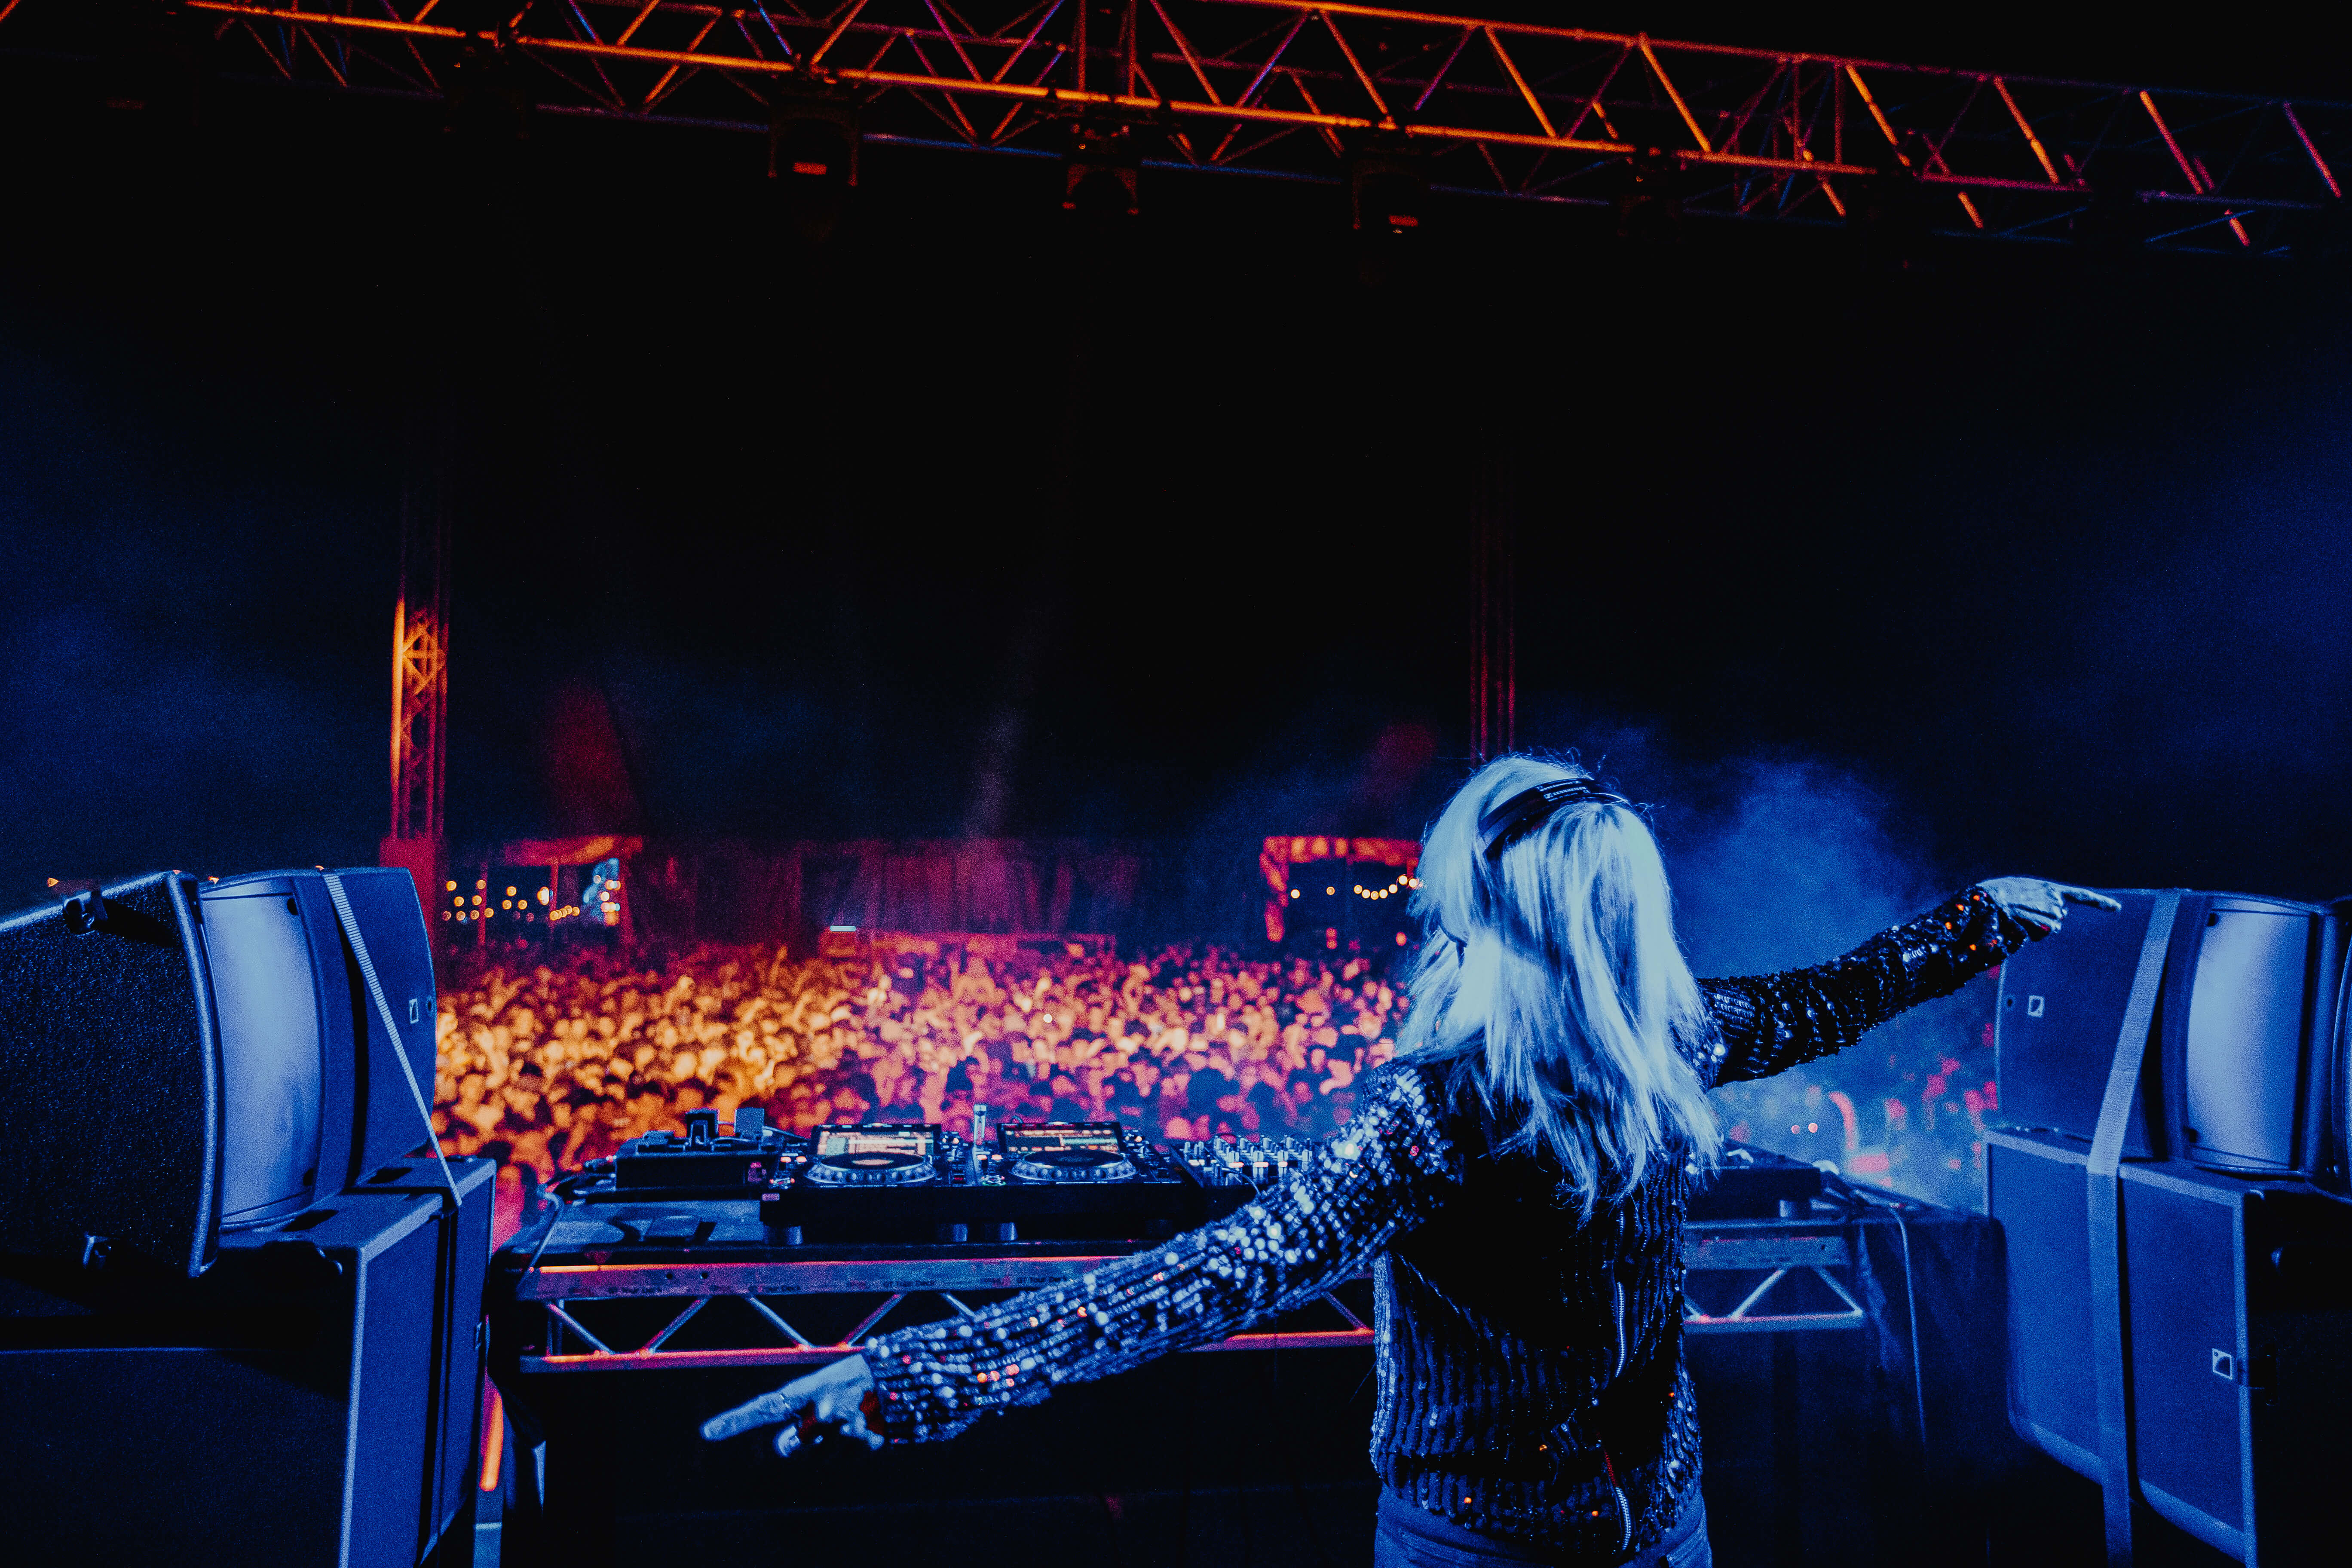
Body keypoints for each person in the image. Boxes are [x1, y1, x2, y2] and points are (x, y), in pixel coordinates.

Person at [701, 755, 2118, 1567]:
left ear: (1473, 914)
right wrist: (1978, 921)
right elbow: (1838, 994)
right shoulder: (1671, 1038)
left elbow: (1199, 1285)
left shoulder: (1440, 1110)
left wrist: (916, 1374)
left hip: (1497, 1545)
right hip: (1656, 1522)